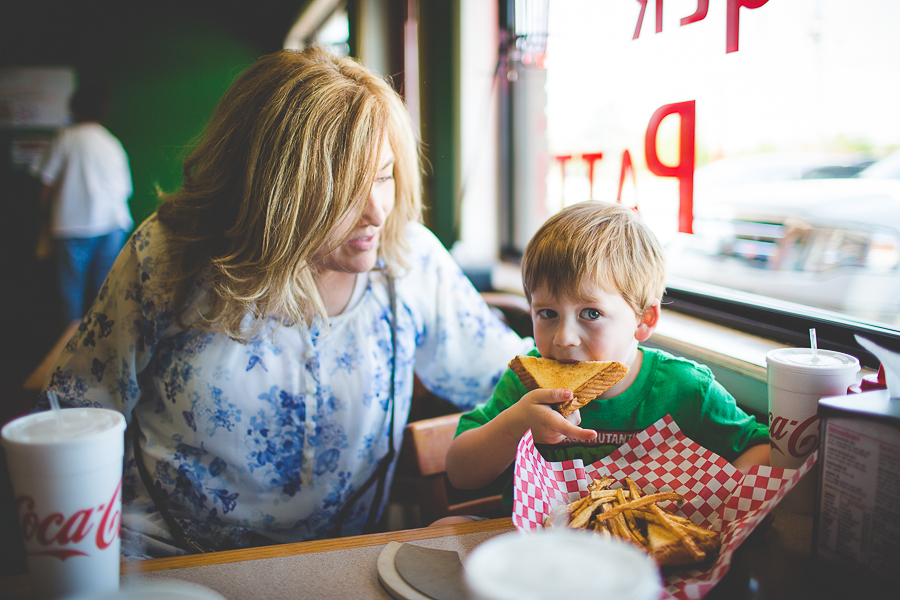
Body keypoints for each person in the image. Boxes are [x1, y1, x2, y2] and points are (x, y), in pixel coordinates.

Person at [42, 46, 533, 559]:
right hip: (169, 567)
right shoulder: (169, 259)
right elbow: (71, 419)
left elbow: (511, 374)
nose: (376, 211)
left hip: (342, 564)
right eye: (345, 189)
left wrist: (608, 353)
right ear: (274, 192)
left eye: (384, 176)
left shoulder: (408, 261)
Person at [445, 201, 769, 519]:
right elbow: (460, 474)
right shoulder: (526, 384)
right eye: (547, 313)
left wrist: (714, 501)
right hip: (536, 552)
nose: (563, 337)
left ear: (644, 320)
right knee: (447, 526)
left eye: (591, 313)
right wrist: (516, 425)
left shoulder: (686, 390)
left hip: (644, 558)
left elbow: (763, 449)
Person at [34, 80, 133, 325]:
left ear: (74, 108)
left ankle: (71, 343)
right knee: (105, 291)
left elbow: (46, 183)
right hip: (112, 225)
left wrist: (43, 228)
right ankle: (101, 341)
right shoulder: (112, 143)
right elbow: (125, 191)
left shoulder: (65, 139)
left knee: (72, 290)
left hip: (73, 226)